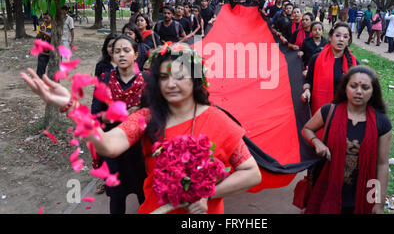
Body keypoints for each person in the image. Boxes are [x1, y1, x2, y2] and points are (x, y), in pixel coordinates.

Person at [20, 43, 262, 214]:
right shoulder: (146, 117)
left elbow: (251, 173)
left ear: (196, 79)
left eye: (180, 76)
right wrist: (72, 108)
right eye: (163, 78)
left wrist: (208, 193)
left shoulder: (218, 119)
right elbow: (108, 145)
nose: (171, 84)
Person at [302, 65, 392, 214]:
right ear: (345, 88)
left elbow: (382, 165)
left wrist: (378, 203)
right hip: (327, 187)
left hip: (363, 191)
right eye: (353, 86)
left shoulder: (382, 122)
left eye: (365, 88)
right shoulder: (329, 111)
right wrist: (317, 142)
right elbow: (307, 129)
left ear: (373, 92)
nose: (358, 91)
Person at [91, 35, 147, 213]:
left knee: (144, 195)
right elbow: (95, 115)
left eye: (126, 50)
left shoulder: (147, 80)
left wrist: (139, 112)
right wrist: (112, 115)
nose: (121, 55)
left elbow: (157, 113)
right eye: (117, 51)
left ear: (136, 54)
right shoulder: (104, 80)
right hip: (113, 149)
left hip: (140, 150)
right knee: (116, 197)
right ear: (112, 56)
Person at [302, 22, 358, 116]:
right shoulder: (316, 58)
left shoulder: (353, 63)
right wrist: (307, 91)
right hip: (319, 111)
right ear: (330, 37)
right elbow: (308, 80)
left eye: (345, 37)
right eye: (337, 35)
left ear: (349, 40)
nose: (341, 39)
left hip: (342, 112)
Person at [36, 13, 52, 78]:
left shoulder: (54, 25)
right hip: (43, 50)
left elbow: (53, 37)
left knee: (53, 70)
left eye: (47, 18)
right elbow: (37, 38)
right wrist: (40, 34)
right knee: (40, 69)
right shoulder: (41, 25)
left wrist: (44, 33)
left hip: (52, 50)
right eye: (44, 18)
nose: (45, 20)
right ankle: (39, 83)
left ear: (51, 18)